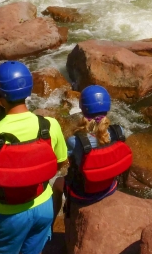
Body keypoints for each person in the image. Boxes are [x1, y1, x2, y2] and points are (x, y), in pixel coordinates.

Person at [0, 61, 68, 254]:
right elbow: (59, 163)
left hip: (8, 213)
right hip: (43, 206)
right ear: (28, 90)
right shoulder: (49, 126)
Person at [51, 85, 132, 219]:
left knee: (56, 183)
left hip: (83, 194)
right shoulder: (119, 132)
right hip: (110, 187)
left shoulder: (75, 141)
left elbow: (70, 164)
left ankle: (51, 223)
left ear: (82, 108)